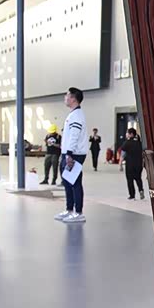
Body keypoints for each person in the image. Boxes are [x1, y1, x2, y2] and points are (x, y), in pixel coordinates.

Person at [55, 87, 88, 224]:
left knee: (75, 182)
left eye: (67, 95)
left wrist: (69, 154)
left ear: (73, 98)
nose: (65, 97)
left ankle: (78, 212)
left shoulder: (77, 116)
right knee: (67, 182)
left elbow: (74, 135)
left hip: (74, 154)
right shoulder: (73, 115)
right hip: (68, 153)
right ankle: (69, 209)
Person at [120, 127, 145, 200]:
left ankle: (132, 195)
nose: (126, 134)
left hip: (130, 165)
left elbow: (123, 154)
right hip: (138, 164)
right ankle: (141, 190)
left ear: (131, 134)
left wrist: (120, 164)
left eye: (127, 133)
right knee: (138, 178)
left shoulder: (127, 143)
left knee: (130, 180)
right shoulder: (140, 143)